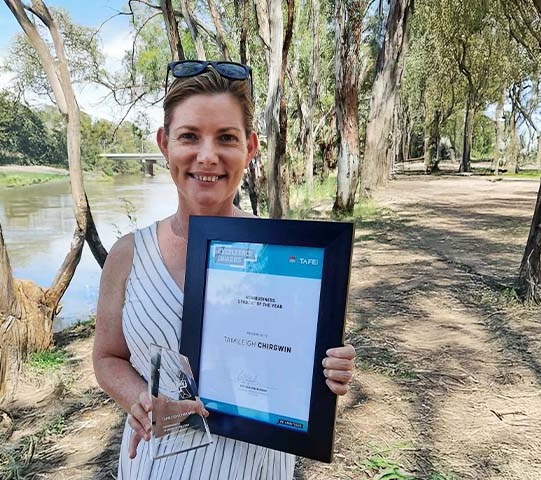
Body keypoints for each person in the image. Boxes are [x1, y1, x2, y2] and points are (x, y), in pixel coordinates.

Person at [92, 60, 356, 480]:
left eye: (226, 138)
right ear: (164, 144)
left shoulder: (285, 253)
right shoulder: (128, 254)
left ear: (250, 148)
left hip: (253, 466)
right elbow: (107, 357)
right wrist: (139, 398)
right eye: (189, 136)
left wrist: (327, 369)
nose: (207, 155)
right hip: (155, 465)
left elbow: (296, 358)